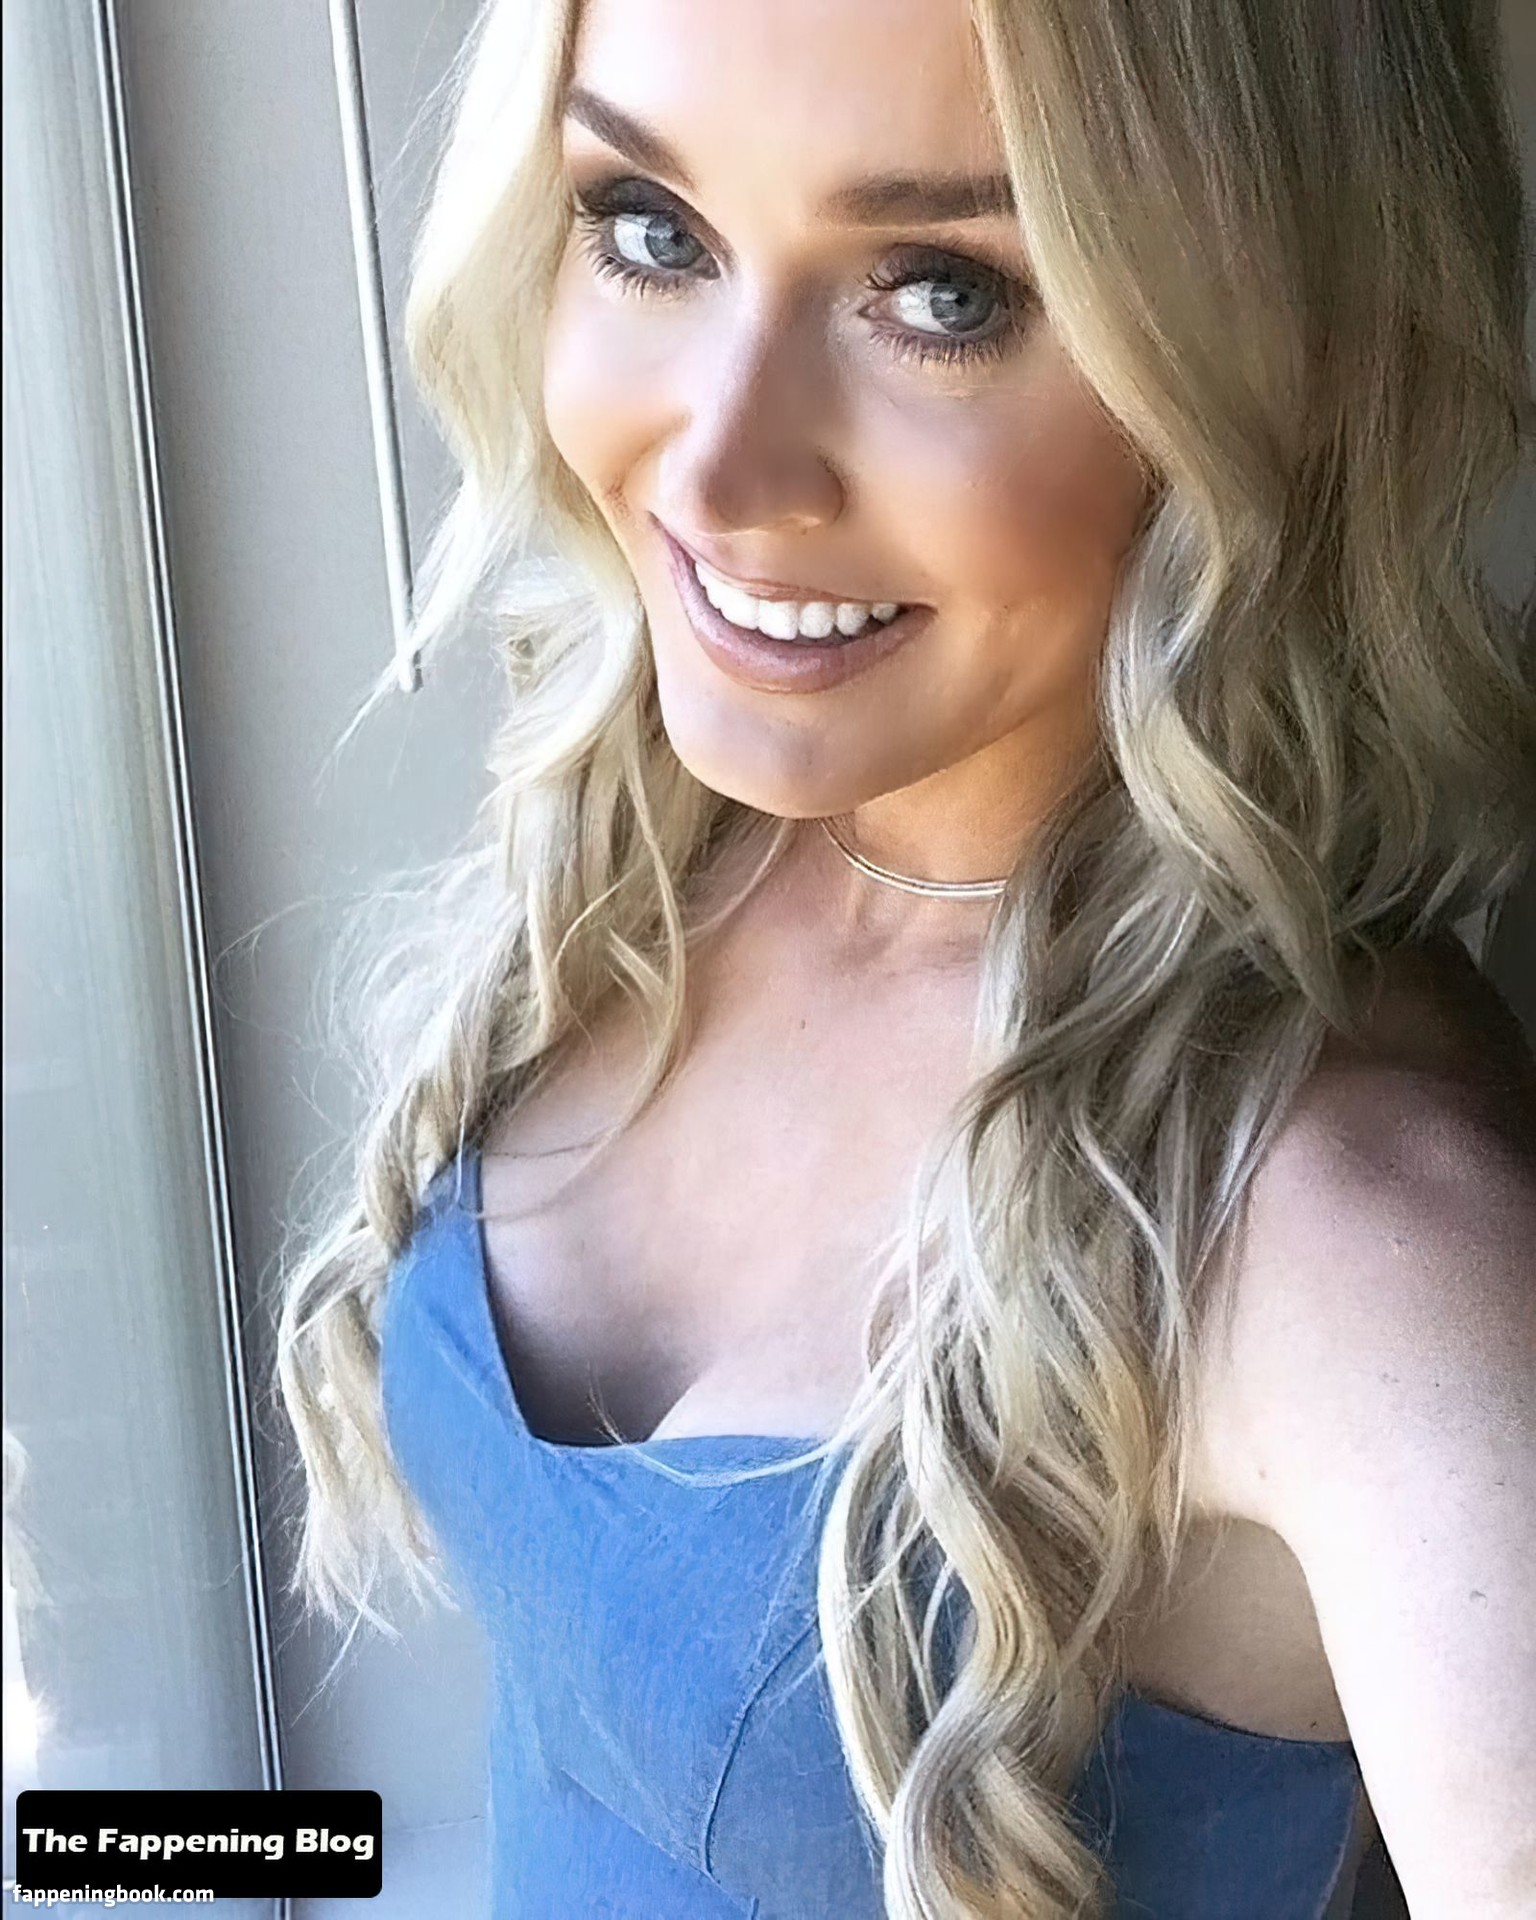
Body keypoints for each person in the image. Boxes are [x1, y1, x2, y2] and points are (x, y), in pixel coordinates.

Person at [274, 0, 1536, 1914]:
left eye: (943, 293)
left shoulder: (1352, 1239)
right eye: (651, 229)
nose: (718, 471)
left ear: (1282, 347)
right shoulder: (677, 842)